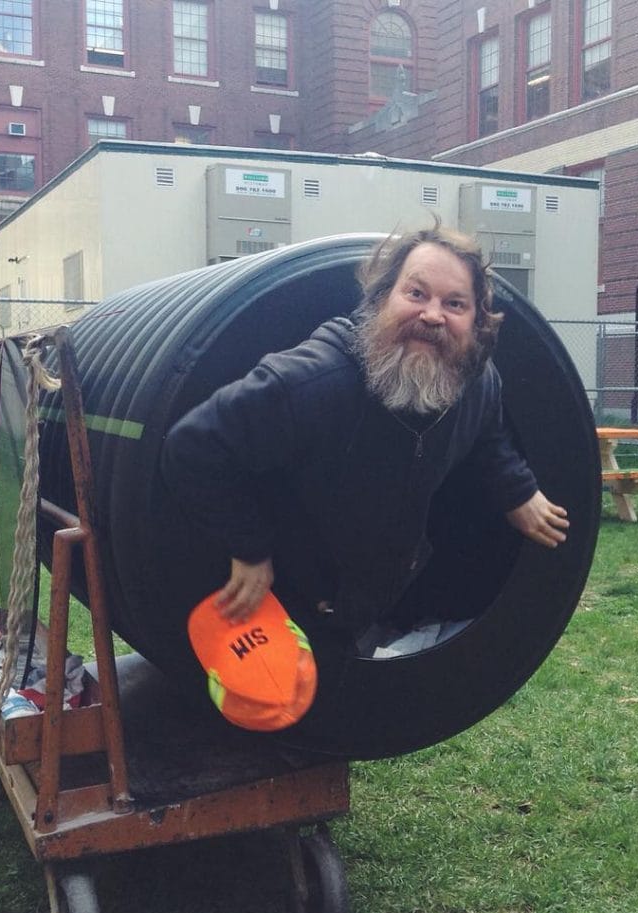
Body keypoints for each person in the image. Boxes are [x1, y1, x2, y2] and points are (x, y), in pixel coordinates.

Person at [161, 223, 568, 649]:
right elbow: (193, 447)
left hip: (378, 591)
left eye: (454, 303)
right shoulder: (311, 382)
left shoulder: (475, 383)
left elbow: (488, 433)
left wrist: (517, 490)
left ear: (476, 322)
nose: (433, 315)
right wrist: (249, 548)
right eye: (416, 293)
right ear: (381, 299)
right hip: (293, 601)